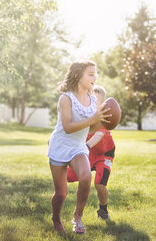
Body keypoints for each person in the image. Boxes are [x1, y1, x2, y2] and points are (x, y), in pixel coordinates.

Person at [47, 60, 111, 235]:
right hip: (60, 146)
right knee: (61, 194)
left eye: (95, 73)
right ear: (78, 76)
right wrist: (93, 119)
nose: (95, 77)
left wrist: (104, 120)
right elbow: (67, 127)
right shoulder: (65, 98)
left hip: (78, 147)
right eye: (90, 74)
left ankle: (77, 217)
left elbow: (91, 128)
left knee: (85, 177)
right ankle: (56, 218)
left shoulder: (93, 99)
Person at [67, 85, 115, 220]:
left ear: (103, 104)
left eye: (96, 101)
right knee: (68, 176)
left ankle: (103, 209)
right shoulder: (84, 114)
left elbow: (98, 136)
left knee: (100, 184)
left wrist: (85, 146)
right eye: (91, 100)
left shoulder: (105, 116)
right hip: (89, 152)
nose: (93, 104)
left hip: (104, 153)